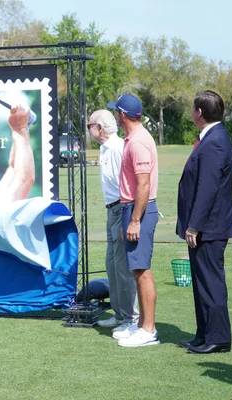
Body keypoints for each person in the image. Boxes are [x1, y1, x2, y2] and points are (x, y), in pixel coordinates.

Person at [176, 90, 232, 354]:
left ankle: (218, 337)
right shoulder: (211, 138)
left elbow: (207, 188)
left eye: (192, 108)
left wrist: (194, 225)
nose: (191, 112)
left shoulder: (215, 142)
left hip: (208, 228)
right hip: (205, 227)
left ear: (199, 112)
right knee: (201, 284)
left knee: (210, 283)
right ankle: (204, 334)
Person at [107, 94, 160, 347]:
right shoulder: (132, 139)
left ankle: (148, 331)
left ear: (123, 115)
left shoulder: (138, 141)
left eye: (116, 113)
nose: (115, 116)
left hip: (140, 209)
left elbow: (144, 183)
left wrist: (135, 220)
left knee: (142, 270)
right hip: (132, 208)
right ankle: (141, 326)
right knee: (136, 269)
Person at [88, 110, 139, 331]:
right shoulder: (105, 148)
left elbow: (134, 185)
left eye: (90, 125)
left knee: (122, 267)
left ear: (100, 128)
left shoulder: (118, 148)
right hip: (111, 210)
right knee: (112, 265)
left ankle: (130, 318)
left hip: (122, 209)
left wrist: (130, 218)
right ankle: (119, 314)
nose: (88, 129)